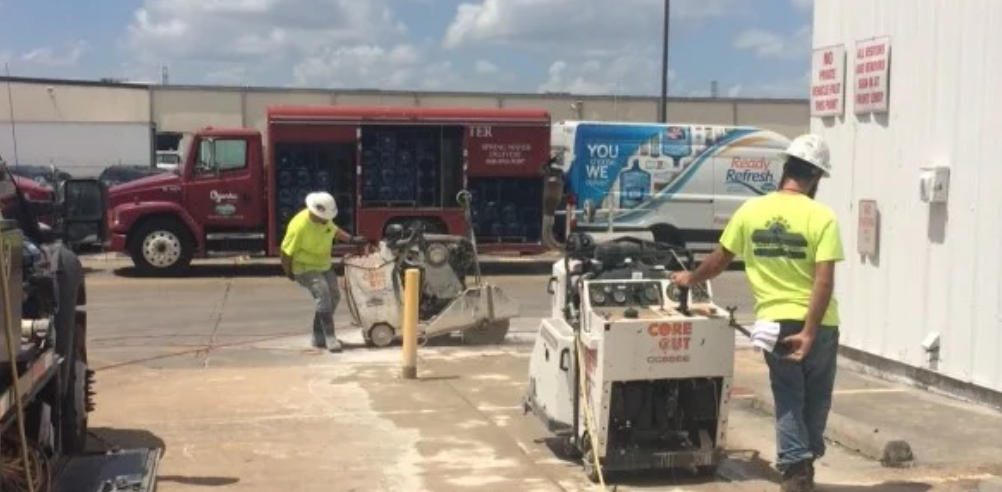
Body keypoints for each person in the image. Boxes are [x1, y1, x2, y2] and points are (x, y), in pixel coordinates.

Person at [670, 134, 842, 492]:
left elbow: (719, 261)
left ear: (786, 168)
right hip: (821, 325)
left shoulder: (750, 211)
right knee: (818, 397)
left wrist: (690, 278)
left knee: (789, 397)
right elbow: (823, 282)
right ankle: (800, 465)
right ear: (816, 178)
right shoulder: (822, 216)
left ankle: (798, 466)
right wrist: (810, 331)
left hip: (775, 324)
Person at [280, 191, 367, 353]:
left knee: (334, 296)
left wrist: (352, 239)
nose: (327, 221)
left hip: (323, 264)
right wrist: (289, 272)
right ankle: (329, 337)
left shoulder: (324, 220)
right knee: (323, 294)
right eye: (324, 218)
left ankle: (318, 335)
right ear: (315, 213)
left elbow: (334, 230)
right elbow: (286, 252)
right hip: (304, 266)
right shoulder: (298, 227)